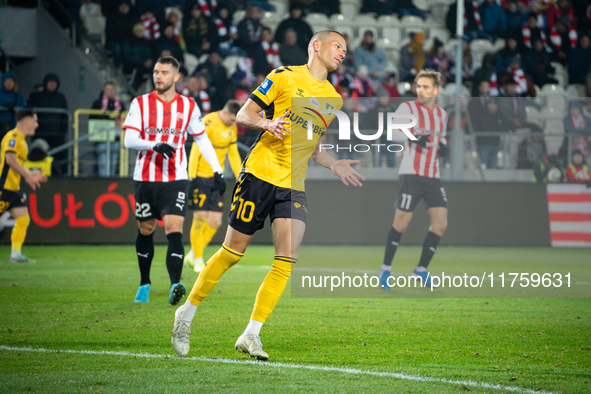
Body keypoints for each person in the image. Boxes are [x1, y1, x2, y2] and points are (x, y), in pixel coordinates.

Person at [171, 30, 364, 361]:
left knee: (286, 259)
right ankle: (185, 316)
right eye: (337, 46)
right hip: (259, 175)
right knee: (233, 252)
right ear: (316, 45)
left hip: (293, 184)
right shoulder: (283, 77)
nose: (343, 53)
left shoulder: (334, 98)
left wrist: (334, 164)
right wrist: (269, 123)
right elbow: (245, 116)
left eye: (345, 49)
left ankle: (251, 334)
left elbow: (314, 147)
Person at [122, 56, 226, 305]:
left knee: (174, 229)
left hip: (176, 178)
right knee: (146, 229)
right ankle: (144, 283)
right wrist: (154, 144)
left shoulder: (189, 106)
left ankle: (175, 284)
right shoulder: (140, 103)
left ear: (176, 77)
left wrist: (217, 170)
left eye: (164, 72)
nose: (158, 76)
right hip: (145, 178)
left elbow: (201, 139)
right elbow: (129, 141)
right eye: (156, 72)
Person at [378, 70, 449, 290]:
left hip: (433, 175)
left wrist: (445, 147)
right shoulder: (407, 108)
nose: (421, 90)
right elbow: (392, 132)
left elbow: (441, 139)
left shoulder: (442, 115)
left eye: (426, 87)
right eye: (418, 86)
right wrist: (415, 136)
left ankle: (421, 269)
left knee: (440, 224)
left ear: (436, 91)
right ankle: (385, 269)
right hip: (411, 173)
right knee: (401, 223)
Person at [184, 100, 243, 272]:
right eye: (233, 120)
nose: (234, 124)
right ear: (225, 113)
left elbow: (233, 154)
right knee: (200, 217)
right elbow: (196, 150)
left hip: (218, 178)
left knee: (215, 222)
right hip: (201, 176)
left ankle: (193, 254)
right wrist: (191, 177)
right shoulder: (208, 122)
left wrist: (240, 177)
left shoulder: (231, 128)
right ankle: (198, 260)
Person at [0, 110, 48, 263]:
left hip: (13, 189)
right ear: (27, 121)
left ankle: (15, 255)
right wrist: (27, 176)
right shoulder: (12, 137)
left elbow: (18, 165)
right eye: (35, 120)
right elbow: (10, 160)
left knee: (23, 218)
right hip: (3, 187)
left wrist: (32, 174)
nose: (37, 124)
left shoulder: (23, 142)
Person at [26, 73, 68, 174]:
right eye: (50, 82)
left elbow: (65, 116)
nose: (52, 85)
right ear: (45, 83)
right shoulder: (37, 96)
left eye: (54, 83)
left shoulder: (61, 97)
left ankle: (59, 176)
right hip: (40, 134)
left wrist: (63, 132)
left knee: (59, 157)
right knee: (38, 157)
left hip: (57, 136)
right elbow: (30, 110)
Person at [91, 81, 126, 177]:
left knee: (113, 164)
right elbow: (92, 119)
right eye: (107, 89)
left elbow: (125, 118)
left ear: (115, 90)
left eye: (112, 89)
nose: (110, 91)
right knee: (103, 164)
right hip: (102, 139)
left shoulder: (120, 104)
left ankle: (111, 181)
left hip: (116, 138)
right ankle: (103, 184)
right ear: (104, 90)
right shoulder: (97, 103)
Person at [0, 72, 26, 139]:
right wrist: (4, 107)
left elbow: (22, 108)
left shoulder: (17, 96)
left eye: (11, 81)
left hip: (13, 126)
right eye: (7, 80)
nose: (9, 83)